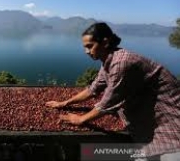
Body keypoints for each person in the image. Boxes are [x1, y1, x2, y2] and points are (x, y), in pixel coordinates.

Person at [46, 22, 180, 160]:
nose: (86, 51)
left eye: (90, 46)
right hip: (147, 125)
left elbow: (107, 103)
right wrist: (65, 103)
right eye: (85, 47)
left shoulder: (122, 63)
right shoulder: (108, 62)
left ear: (105, 42)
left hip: (170, 128)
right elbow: (92, 89)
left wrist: (80, 119)